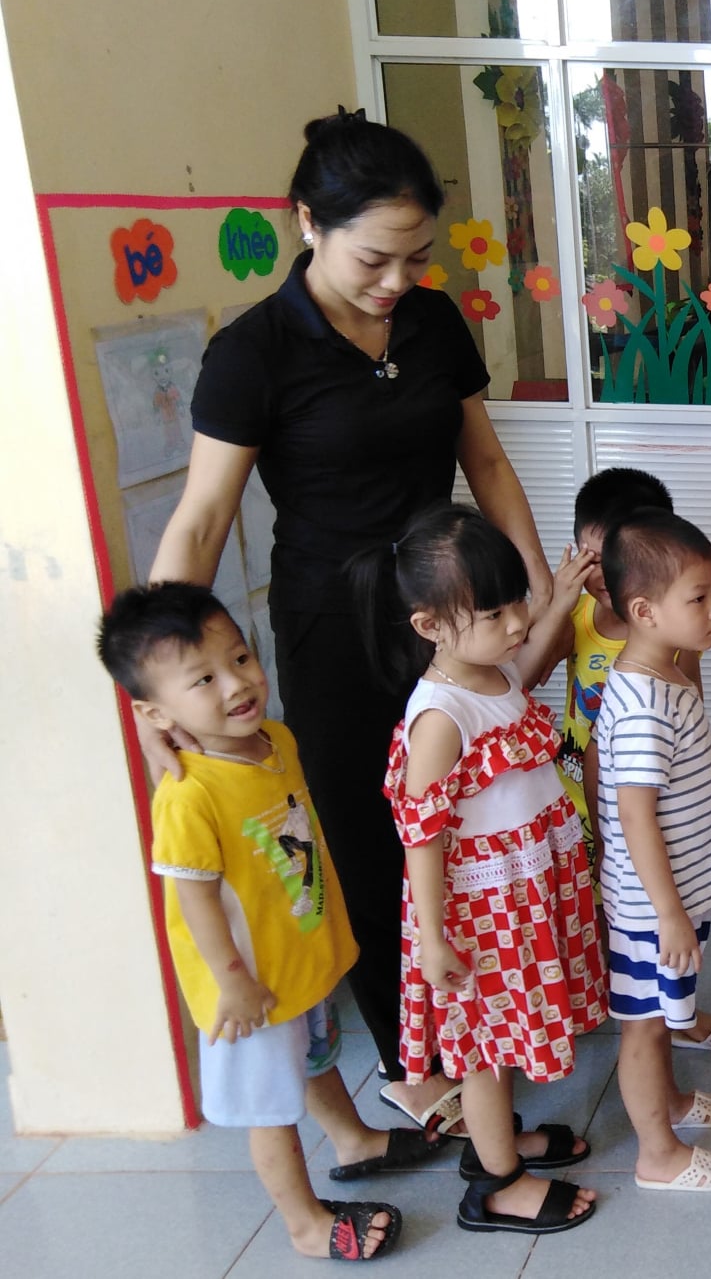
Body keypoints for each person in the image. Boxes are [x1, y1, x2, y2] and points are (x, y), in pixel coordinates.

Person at [148, 109, 552, 1139]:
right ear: (307, 224)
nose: (397, 280)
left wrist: (531, 588)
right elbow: (201, 520)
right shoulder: (254, 352)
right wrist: (159, 684)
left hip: (450, 611)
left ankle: (485, 1021)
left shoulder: (431, 321)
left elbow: (485, 460)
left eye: (417, 258)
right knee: (373, 842)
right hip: (336, 626)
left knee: (477, 815)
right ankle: (413, 1061)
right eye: (375, 259)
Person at [97, 583, 412, 1261]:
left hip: (294, 957)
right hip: (249, 990)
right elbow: (193, 900)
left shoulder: (276, 740)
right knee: (272, 1108)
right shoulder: (189, 795)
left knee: (317, 1058)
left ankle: (354, 1139)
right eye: (203, 679)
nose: (238, 683)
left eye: (239, 658)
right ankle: (304, 1223)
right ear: (154, 712)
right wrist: (233, 980)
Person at [353, 505, 606, 1234]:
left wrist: (557, 601)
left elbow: (521, 669)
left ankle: (502, 1146)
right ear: (430, 625)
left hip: (523, 891)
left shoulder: (491, 674)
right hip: (480, 914)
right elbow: (421, 838)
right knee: (487, 1050)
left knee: (509, 1035)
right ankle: (499, 1185)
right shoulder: (439, 716)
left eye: (516, 601)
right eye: (494, 613)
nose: (516, 621)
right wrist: (433, 939)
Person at [528, 466, 711, 1054]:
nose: (602, 575)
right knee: (621, 932)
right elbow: (525, 680)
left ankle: (667, 1018)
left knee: (649, 943)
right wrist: (556, 604)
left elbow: (691, 710)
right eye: (592, 559)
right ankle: (638, 1026)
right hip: (586, 797)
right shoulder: (590, 632)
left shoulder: (671, 645)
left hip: (645, 806)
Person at [591, 509, 711, 1192]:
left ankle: (676, 1103)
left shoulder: (666, 672)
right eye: (699, 597)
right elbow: (634, 817)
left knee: (660, 1017)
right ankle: (657, 1153)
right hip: (650, 909)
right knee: (644, 1027)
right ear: (644, 611)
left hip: (671, 899)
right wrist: (667, 913)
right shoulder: (643, 705)